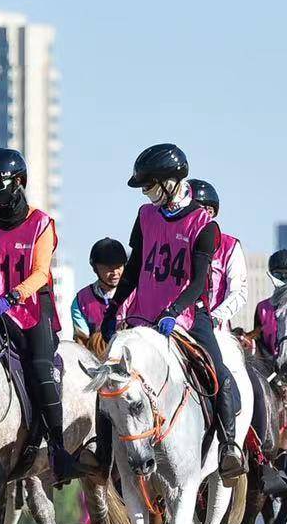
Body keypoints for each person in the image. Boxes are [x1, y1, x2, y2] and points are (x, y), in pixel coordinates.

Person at [101, 144, 243, 475]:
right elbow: (135, 268)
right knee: (111, 379)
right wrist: (113, 308)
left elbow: (197, 283)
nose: (146, 193)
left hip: (189, 316)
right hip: (143, 317)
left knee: (217, 371)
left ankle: (229, 446)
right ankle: (101, 452)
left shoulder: (204, 225)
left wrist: (174, 310)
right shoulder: (145, 216)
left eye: (149, 185)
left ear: (170, 181)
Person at [0, 147, 70, 480]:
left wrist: (11, 297)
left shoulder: (41, 224)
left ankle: (59, 449)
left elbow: (40, 272)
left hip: (32, 310)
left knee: (39, 368)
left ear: (19, 182)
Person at [190, 179, 249, 333]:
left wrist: (215, 318)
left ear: (211, 212)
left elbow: (238, 292)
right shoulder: (176, 241)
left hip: (214, 328)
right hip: (176, 323)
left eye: (205, 211)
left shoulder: (230, 246)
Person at [68, 237, 128, 350]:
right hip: (95, 359)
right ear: (95, 268)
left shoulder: (134, 296)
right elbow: (82, 341)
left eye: (119, 267)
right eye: (109, 268)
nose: (115, 273)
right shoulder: (81, 301)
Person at [252, 248, 287, 358]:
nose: (283, 279)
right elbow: (257, 339)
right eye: (278, 275)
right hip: (270, 368)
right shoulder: (262, 308)